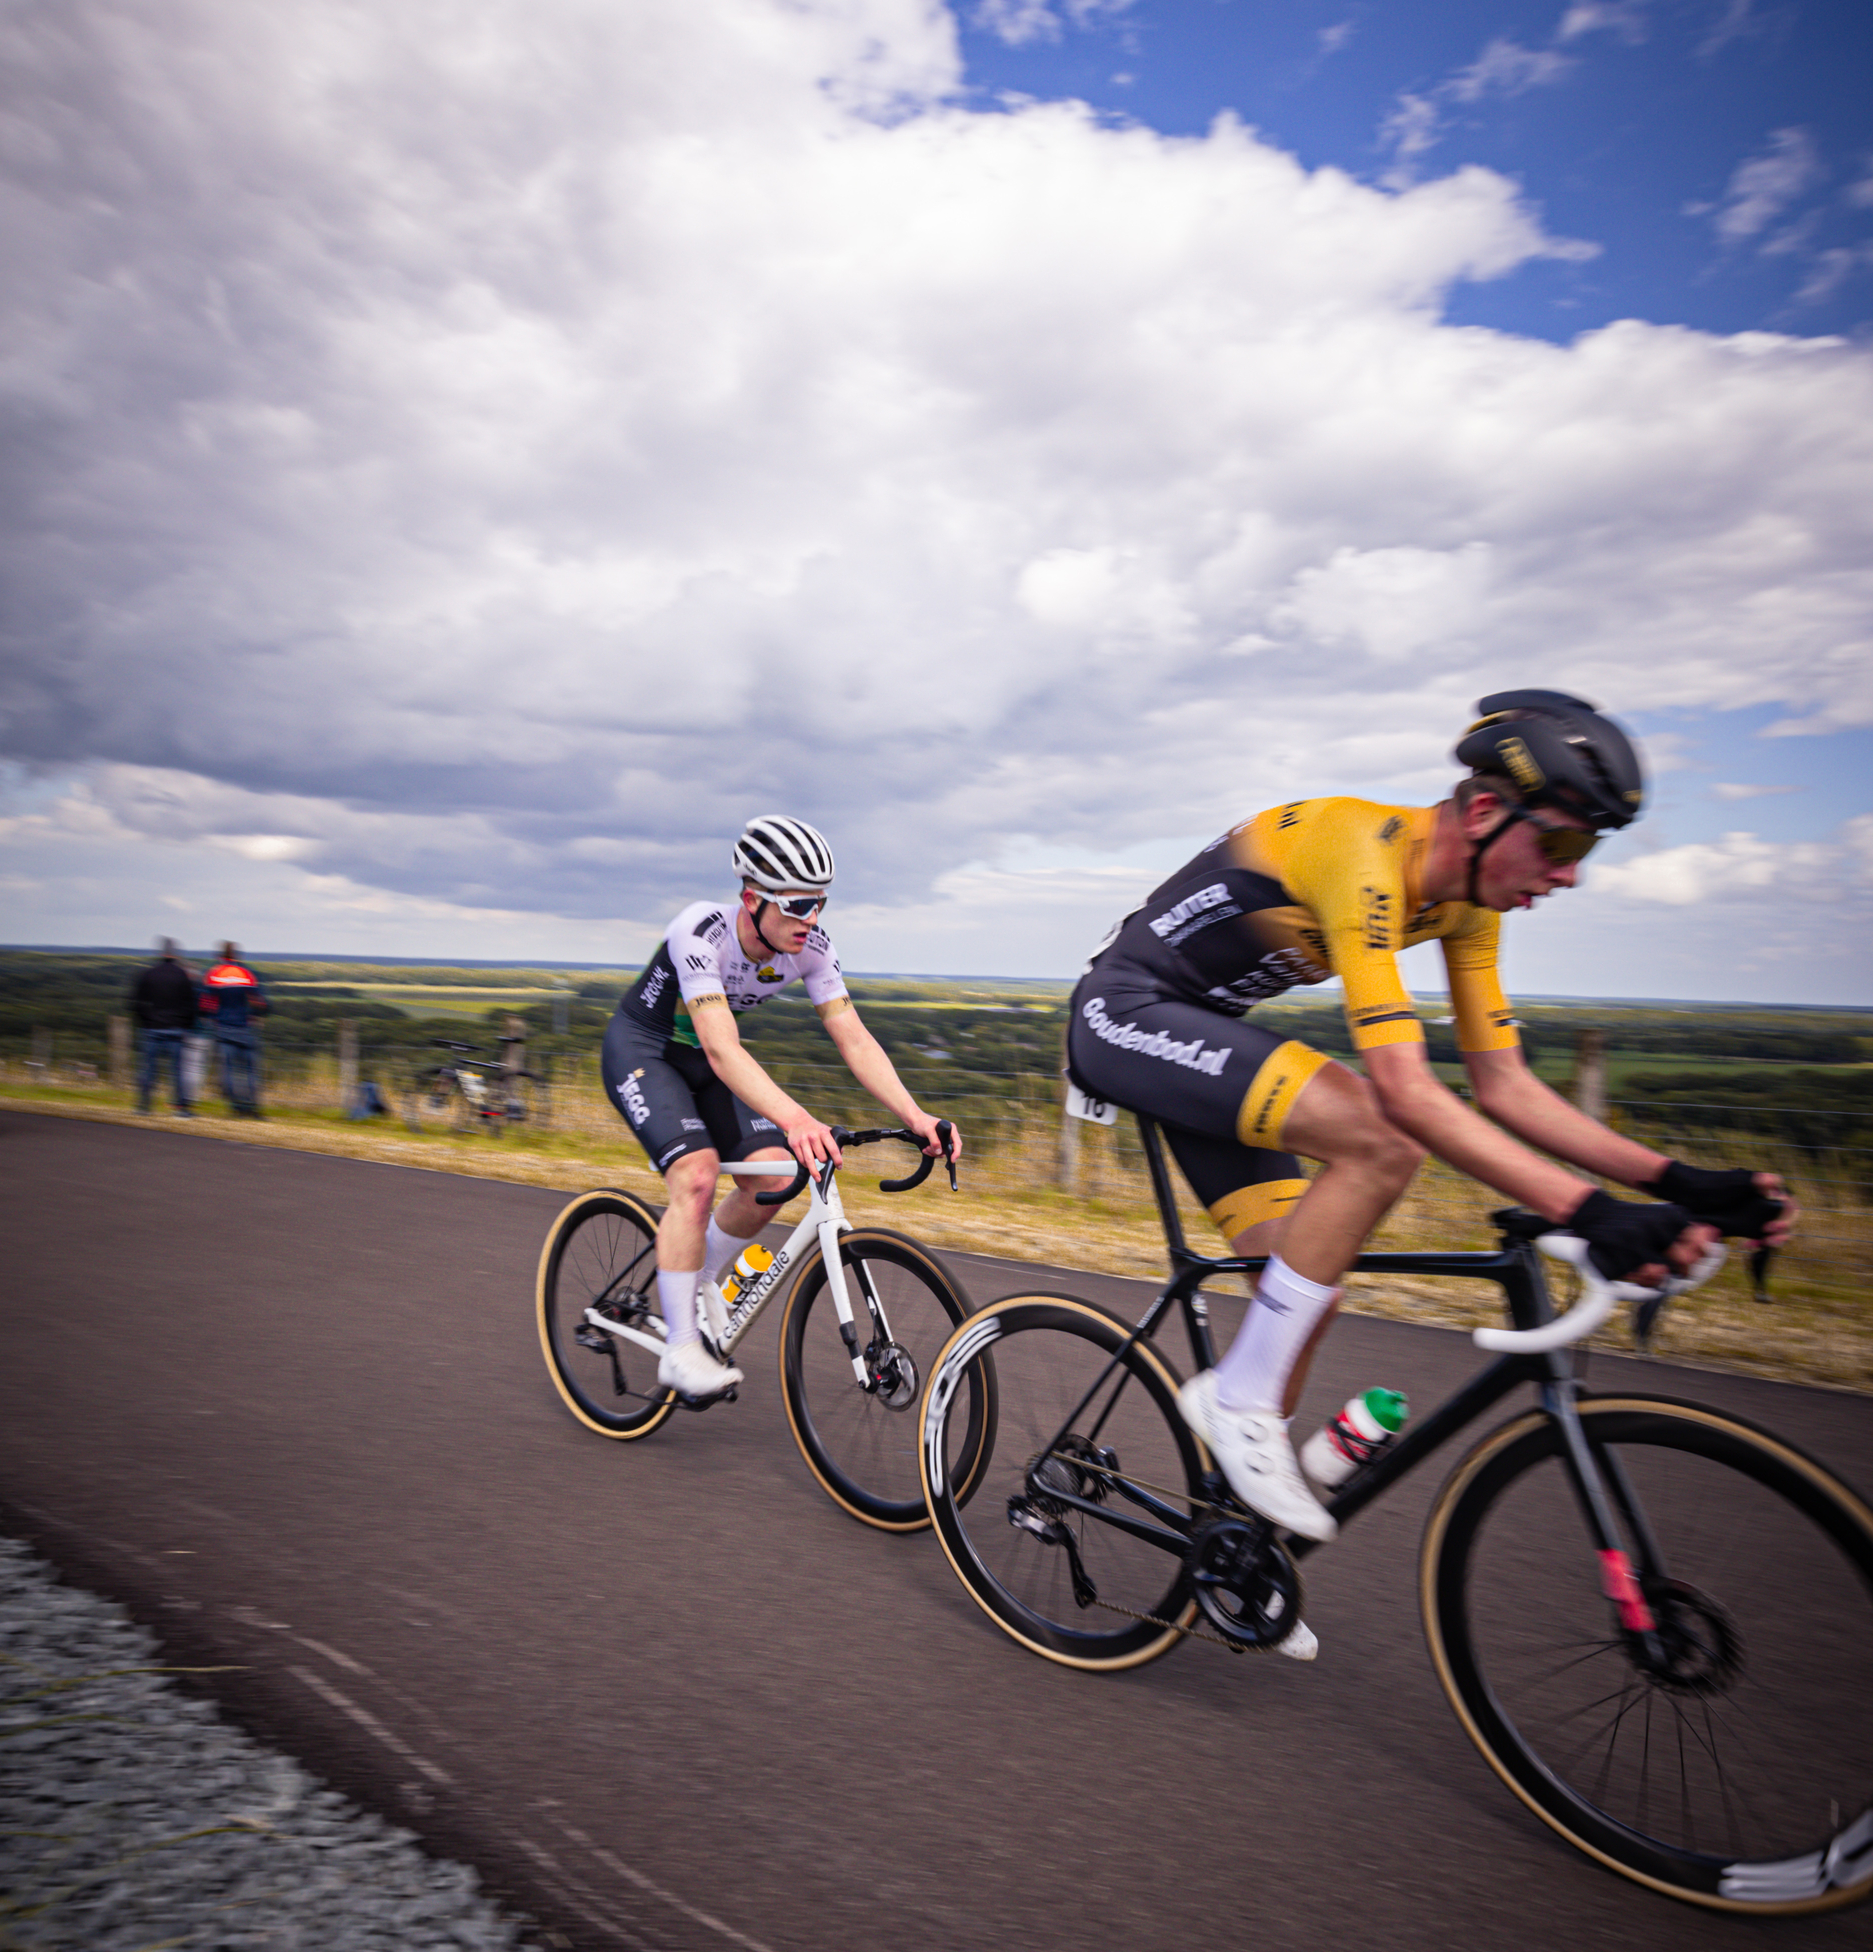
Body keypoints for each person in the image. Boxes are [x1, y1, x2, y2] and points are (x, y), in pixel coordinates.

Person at [1067, 690, 1797, 1632]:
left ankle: (1236, 1540)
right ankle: (1240, 1405)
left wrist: (1673, 1183)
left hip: (1200, 1036)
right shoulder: (1362, 854)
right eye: (1566, 846)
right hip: (1123, 1016)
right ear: (1489, 814)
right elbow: (1408, 1095)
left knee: (1304, 1268)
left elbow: (1506, 1086)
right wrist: (1589, 1214)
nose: (1570, 878)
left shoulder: (1467, 906)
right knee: (1381, 1138)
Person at [602, 816, 960, 1403]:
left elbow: (854, 1039)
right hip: (643, 1051)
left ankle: (696, 1282)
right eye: (796, 905)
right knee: (694, 1177)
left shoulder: (812, 949)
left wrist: (916, 1115)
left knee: (777, 1174)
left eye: (819, 903)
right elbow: (721, 1047)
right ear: (752, 897)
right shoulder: (700, 932)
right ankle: (682, 1351)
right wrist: (797, 1118)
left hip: (706, 1065)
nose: (810, 919)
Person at [128, 938, 198, 1115]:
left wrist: (145, 1021)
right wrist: (185, 1025)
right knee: (177, 1071)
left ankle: (144, 1105)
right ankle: (181, 1108)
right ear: (175, 954)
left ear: (161, 953)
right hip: (175, 1028)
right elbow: (191, 1005)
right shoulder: (182, 975)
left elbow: (136, 1002)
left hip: (152, 1027)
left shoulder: (149, 973)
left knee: (149, 1068)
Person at [200, 942, 269, 1116]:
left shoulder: (213, 974)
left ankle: (236, 1107)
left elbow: (205, 1005)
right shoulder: (247, 975)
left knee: (228, 1070)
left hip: (223, 1029)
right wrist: (255, 1014)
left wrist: (212, 1017)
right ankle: (252, 1107)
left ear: (220, 956)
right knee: (250, 1070)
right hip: (246, 1029)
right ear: (237, 956)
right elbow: (261, 1003)